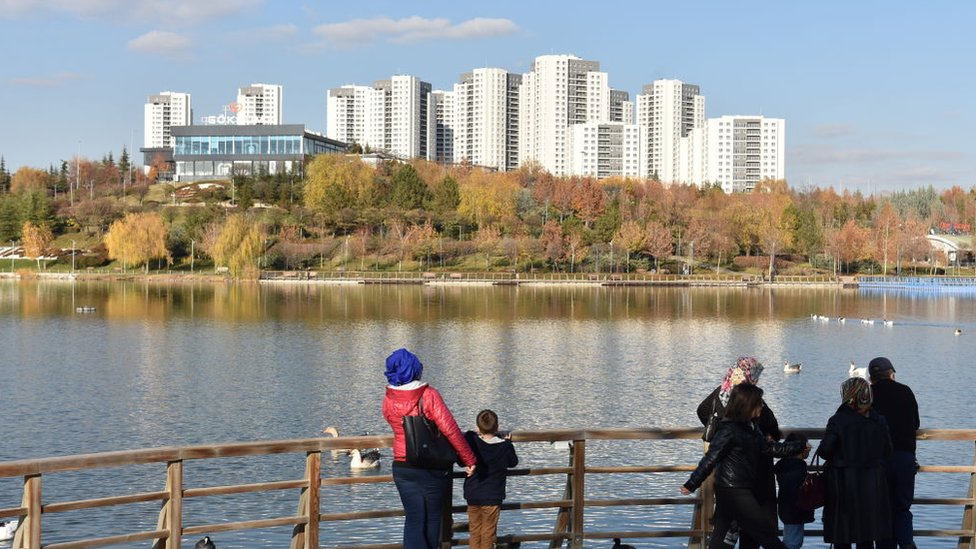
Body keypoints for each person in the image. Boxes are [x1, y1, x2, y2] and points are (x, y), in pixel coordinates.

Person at [682, 384, 805, 549]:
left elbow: (771, 449)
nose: (762, 406)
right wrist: (692, 483)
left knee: (720, 539)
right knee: (765, 534)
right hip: (734, 491)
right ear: (748, 406)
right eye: (759, 403)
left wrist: (799, 446)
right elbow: (710, 459)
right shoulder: (728, 430)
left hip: (736, 489)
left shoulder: (751, 429)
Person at [382, 348, 477, 549]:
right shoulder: (428, 395)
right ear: (415, 369)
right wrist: (468, 460)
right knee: (433, 520)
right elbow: (450, 430)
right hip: (430, 466)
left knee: (414, 519)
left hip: (402, 465)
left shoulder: (389, 398)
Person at [697, 357, 782, 547]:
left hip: (728, 470)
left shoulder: (721, 392)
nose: (757, 381)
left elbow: (702, 410)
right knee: (754, 526)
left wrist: (721, 434)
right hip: (754, 470)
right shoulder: (751, 399)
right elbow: (774, 429)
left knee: (726, 525)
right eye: (756, 376)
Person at [816, 376, 892, 549]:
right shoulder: (878, 420)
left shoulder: (838, 420)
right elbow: (888, 450)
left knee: (842, 535)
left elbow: (824, 451)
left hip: (843, 483)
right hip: (873, 482)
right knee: (867, 535)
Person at [868, 357, 919, 549]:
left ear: (872, 378)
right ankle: (907, 544)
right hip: (905, 457)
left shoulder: (868, 395)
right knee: (902, 506)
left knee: (882, 508)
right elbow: (916, 423)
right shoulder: (905, 391)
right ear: (892, 374)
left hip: (878, 460)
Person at [463, 410, 519, 549]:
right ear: (498, 427)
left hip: (473, 494)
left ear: (478, 428)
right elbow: (513, 462)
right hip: (493, 496)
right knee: (488, 532)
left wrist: (476, 433)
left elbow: (468, 435)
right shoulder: (504, 447)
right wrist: (507, 441)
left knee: (474, 531)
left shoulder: (472, 442)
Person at [773, 433, 814, 549]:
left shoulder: (783, 466)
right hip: (796, 510)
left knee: (791, 538)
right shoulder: (798, 467)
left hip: (786, 508)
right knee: (793, 542)